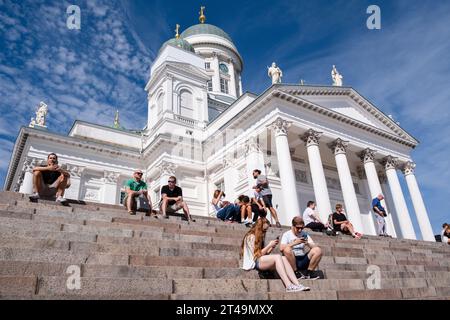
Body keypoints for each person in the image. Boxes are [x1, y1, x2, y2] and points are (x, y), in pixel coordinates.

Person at [241, 217, 310, 292]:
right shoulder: (250, 237)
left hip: (259, 260)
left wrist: (271, 248)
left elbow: (263, 254)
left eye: (266, 230)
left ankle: (297, 284)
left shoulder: (258, 237)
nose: (264, 232)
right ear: (259, 228)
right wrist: (269, 245)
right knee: (277, 257)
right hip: (253, 263)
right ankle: (288, 286)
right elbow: (256, 255)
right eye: (264, 230)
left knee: (283, 258)